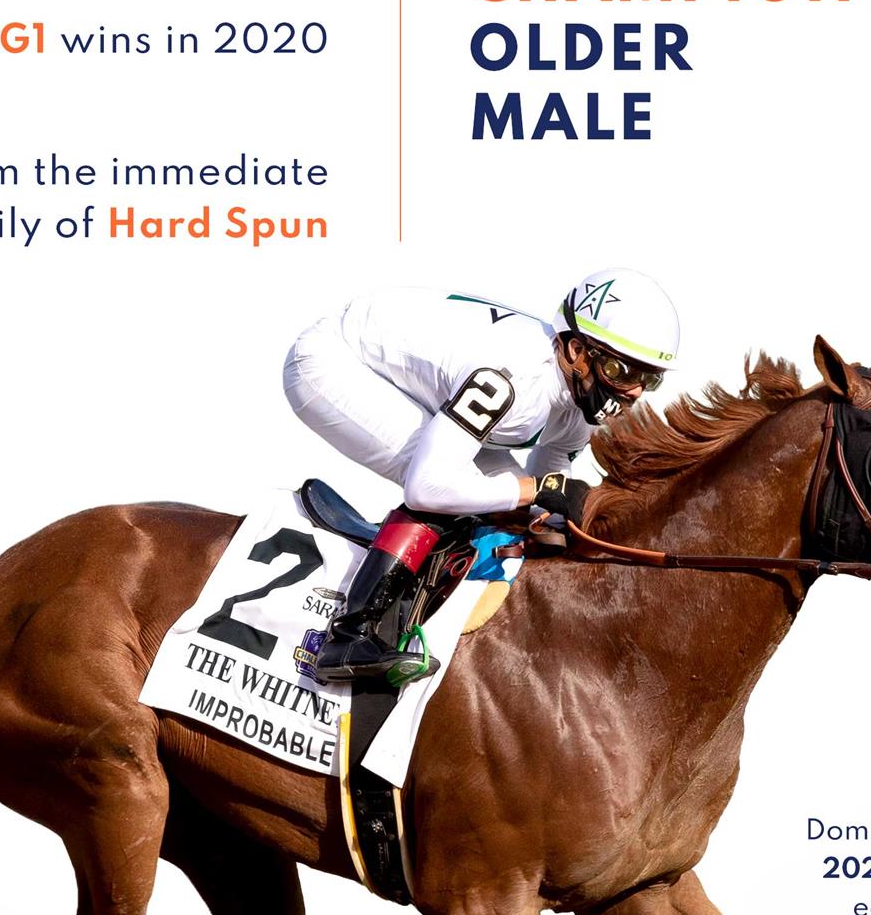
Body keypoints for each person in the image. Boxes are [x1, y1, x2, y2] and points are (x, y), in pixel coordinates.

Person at [283, 269, 680, 683]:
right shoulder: (513, 382)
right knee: (454, 491)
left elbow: (551, 476)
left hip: (410, 375)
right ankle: (350, 637)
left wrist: (560, 516)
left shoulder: (577, 403)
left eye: (648, 378)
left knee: (510, 507)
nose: (634, 391)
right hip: (333, 362)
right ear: (576, 350)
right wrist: (535, 491)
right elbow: (427, 488)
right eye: (621, 371)